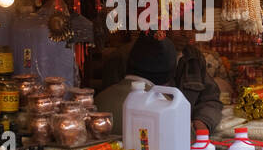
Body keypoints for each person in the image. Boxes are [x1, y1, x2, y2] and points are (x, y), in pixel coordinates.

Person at [94, 31, 223, 137]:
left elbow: (211, 97)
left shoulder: (98, 101)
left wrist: (204, 120)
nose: (186, 32)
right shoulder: (164, 108)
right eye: (180, 23)